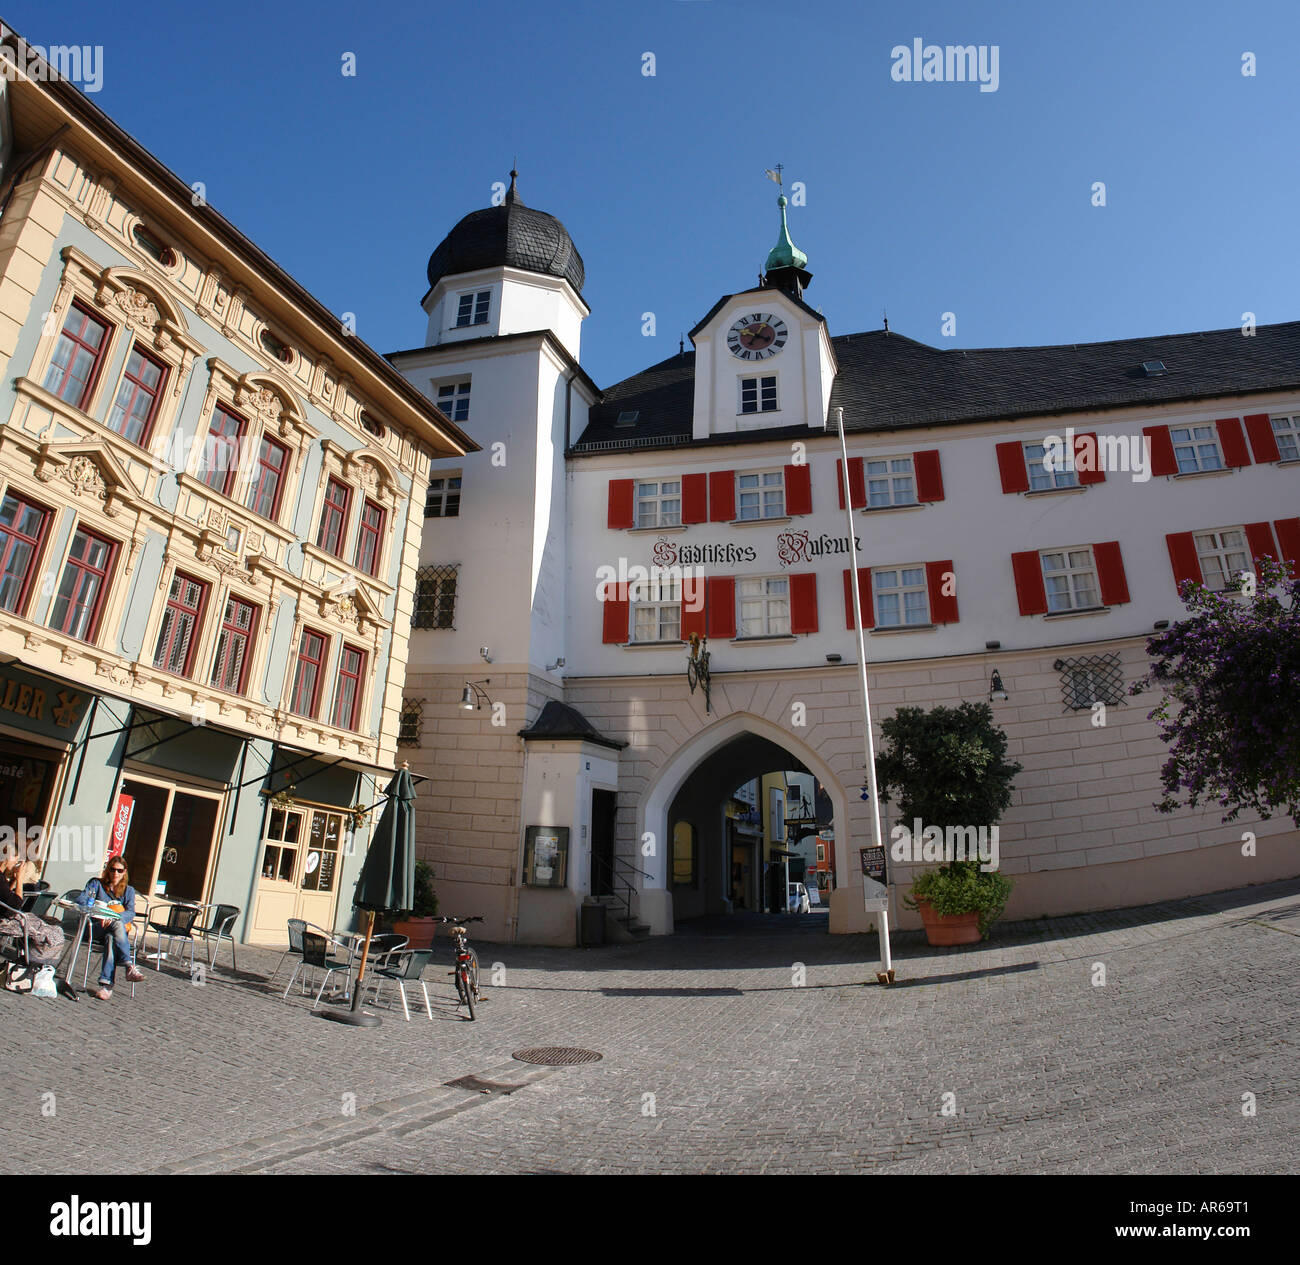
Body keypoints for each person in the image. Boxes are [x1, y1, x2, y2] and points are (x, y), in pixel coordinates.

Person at [77, 859, 144, 1000]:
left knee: (111, 937)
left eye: (119, 870)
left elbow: (130, 913)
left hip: (114, 932)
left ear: (124, 872)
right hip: (95, 927)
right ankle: (128, 965)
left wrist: (113, 917)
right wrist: (98, 913)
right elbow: (81, 900)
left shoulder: (128, 891)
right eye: (113, 869)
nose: (115, 873)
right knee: (115, 927)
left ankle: (106, 985)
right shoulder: (96, 884)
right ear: (108, 869)